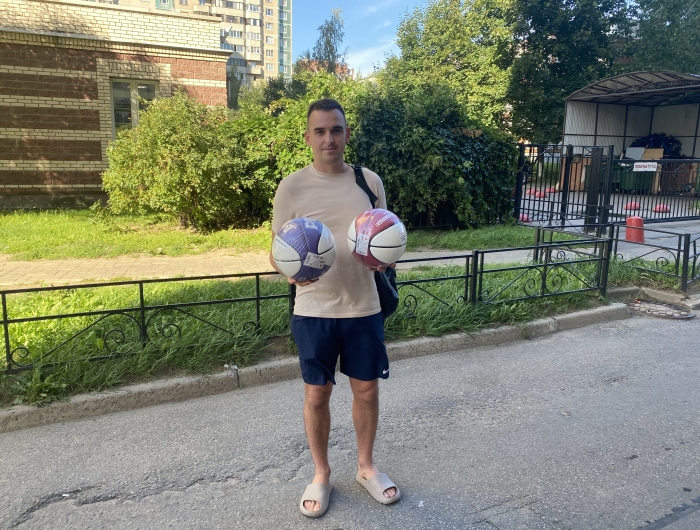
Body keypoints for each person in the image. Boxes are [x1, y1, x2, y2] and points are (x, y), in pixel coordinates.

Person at [269, 98, 401, 518]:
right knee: (316, 395)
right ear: (308, 137)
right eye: (321, 131)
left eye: (336, 130)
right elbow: (276, 250)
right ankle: (321, 474)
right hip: (314, 310)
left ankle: (366, 467)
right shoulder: (292, 187)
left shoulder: (369, 181)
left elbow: (384, 234)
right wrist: (289, 271)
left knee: (367, 390)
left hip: (364, 306)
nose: (329, 138)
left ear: (346, 134)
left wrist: (386, 258)